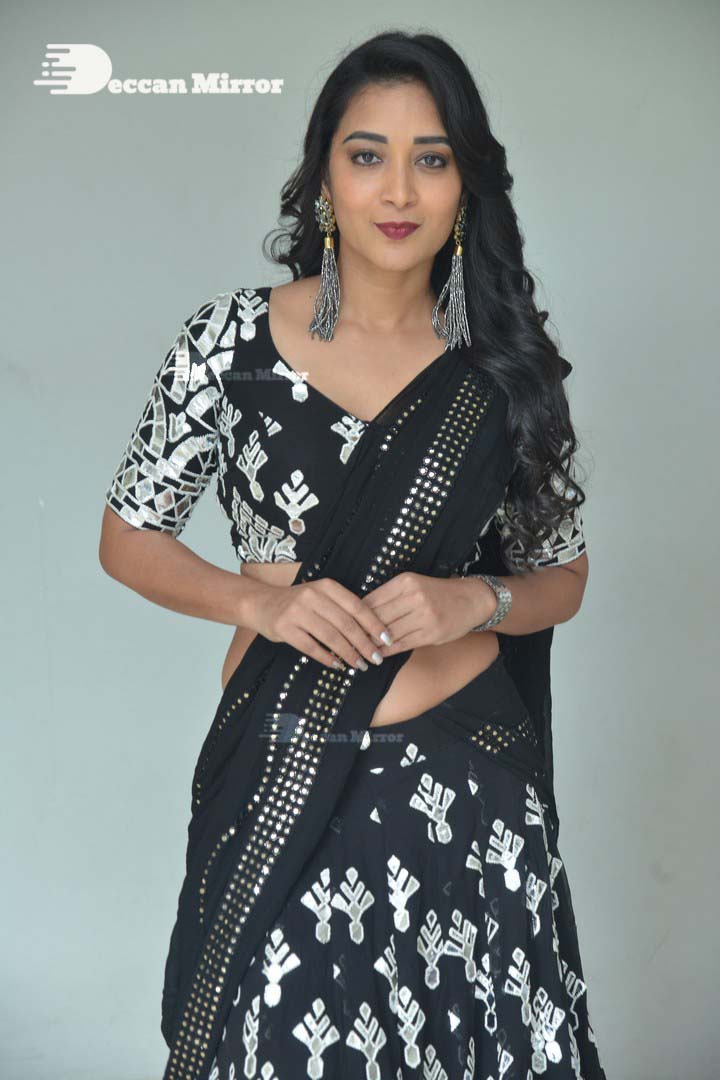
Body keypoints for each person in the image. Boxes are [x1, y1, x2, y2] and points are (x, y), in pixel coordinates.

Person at [99, 30, 607, 1080]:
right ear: (324, 176)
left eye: (433, 158)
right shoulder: (226, 345)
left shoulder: (503, 370)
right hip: (283, 763)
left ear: (466, 184)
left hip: (469, 789)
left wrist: (477, 599)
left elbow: (563, 576)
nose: (400, 189)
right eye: (368, 154)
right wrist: (261, 605)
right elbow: (128, 535)